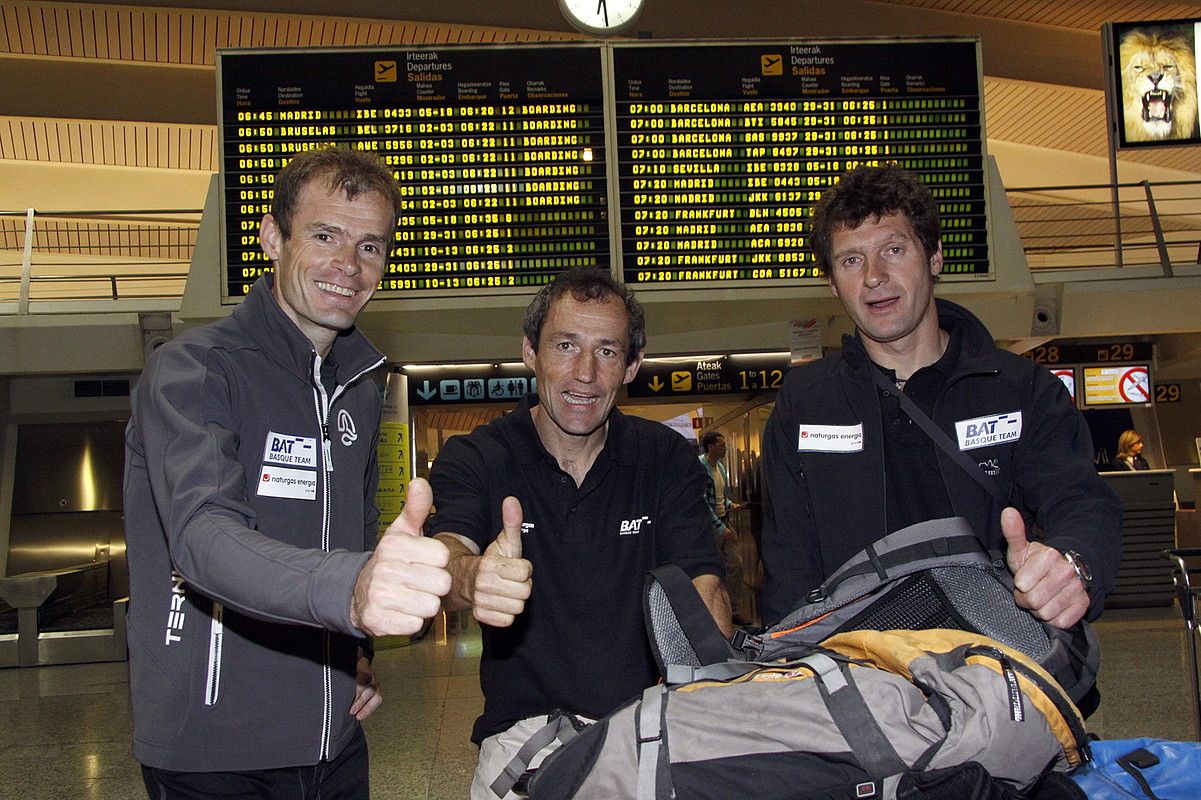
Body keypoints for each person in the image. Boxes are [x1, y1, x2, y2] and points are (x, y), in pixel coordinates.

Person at [124, 146, 452, 799]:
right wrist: (350, 590)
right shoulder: (193, 370)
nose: (348, 266)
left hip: (333, 743)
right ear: (273, 238)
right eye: (325, 236)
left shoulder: (358, 385)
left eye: (370, 247)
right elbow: (203, 538)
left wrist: (354, 651)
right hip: (214, 751)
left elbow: (352, 534)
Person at [760, 164, 1123, 637]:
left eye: (894, 249)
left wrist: (1073, 564)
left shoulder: (1021, 390)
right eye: (851, 260)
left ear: (934, 258)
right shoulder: (805, 404)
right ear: (832, 283)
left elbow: (1083, 504)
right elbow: (789, 565)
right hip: (865, 679)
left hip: (999, 670)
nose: (874, 277)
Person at [427, 267, 730, 800]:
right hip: (523, 739)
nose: (585, 373)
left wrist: (704, 685)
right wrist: (475, 577)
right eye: (566, 345)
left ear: (631, 365)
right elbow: (451, 551)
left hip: (648, 727)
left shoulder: (664, 459)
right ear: (530, 352)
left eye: (608, 351)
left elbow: (702, 583)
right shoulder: (478, 457)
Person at [699, 430, 753, 624]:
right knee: (712, 570)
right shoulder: (700, 467)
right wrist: (721, 528)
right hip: (711, 527)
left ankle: (733, 609)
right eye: (721, 445)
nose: (725, 448)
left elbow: (721, 498)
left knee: (735, 565)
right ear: (711, 447)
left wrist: (731, 505)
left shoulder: (720, 468)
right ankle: (713, 611)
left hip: (724, 519)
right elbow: (702, 502)